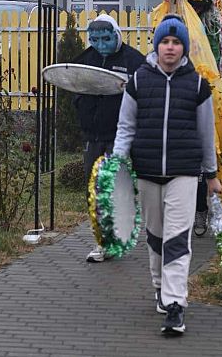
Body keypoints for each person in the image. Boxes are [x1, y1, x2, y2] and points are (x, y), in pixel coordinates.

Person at [112, 14, 222, 335]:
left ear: (184, 48)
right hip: (147, 171)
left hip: (183, 173)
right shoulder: (138, 81)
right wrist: (118, 162)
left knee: (177, 238)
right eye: (165, 42)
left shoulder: (197, 85)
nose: (170, 48)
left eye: (176, 42)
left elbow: (206, 134)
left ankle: (176, 304)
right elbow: (125, 127)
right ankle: (160, 287)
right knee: (155, 236)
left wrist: (211, 174)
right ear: (156, 46)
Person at [72, 14, 144, 262]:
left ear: (116, 35)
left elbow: (145, 93)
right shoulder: (86, 59)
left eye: (105, 39)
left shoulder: (133, 60)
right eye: (95, 39)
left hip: (120, 136)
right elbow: (73, 82)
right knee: (94, 187)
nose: (100, 44)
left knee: (114, 185)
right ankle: (102, 240)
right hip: (93, 135)